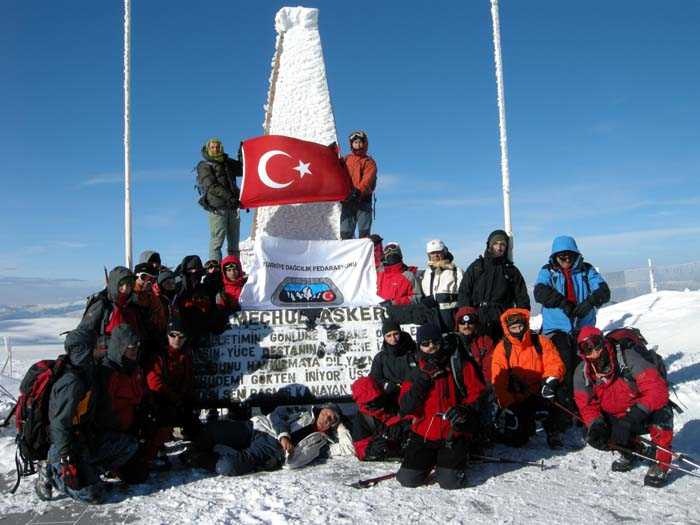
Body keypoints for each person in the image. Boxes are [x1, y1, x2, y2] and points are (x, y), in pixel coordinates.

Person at [37, 328, 138, 503]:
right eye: (96, 346)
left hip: (85, 440)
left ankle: (89, 473)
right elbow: (59, 424)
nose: (102, 348)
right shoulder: (72, 383)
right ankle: (51, 473)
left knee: (128, 445)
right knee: (92, 496)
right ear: (84, 351)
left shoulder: (89, 372)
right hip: (65, 446)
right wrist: (66, 457)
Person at [574, 326, 673, 487]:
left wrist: (633, 417)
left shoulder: (628, 359)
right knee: (595, 432)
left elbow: (657, 390)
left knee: (661, 414)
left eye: (596, 344)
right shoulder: (582, 373)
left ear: (603, 342)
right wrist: (596, 424)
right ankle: (631, 450)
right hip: (617, 416)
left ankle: (662, 463)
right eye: (586, 348)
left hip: (641, 411)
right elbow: (586, 405)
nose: (593, 351)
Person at [397, 323, 487, 489]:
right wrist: (423, 382)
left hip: (452, 433)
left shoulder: (458, 364)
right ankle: (432, 461)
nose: (431, 346)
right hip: (423, 433)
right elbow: (405, 407)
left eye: (435, 342)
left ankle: (460, 456)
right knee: (408, 480)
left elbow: (478, 393)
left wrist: (464, 409)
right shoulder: (416, 372)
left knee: (449, 482)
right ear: (419, 346)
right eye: (425, 343)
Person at [534, 235, 611, 419]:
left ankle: (587, 406)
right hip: (557, 328)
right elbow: (540, 292)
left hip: (582, 327)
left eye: (569, 256)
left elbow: (603, 291)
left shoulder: (586, 270)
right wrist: (562, 303)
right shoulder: (548, 271)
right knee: (562, 366)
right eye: (561, 256)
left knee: (585, 367)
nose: (566, 260)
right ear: (555, 257)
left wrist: (590, 302)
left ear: (575, 254)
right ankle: (563, 408)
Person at [184, 404, 352, 475]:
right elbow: (278, 413)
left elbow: (348, 448)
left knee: (228, 466)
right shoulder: (303, 412)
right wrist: (284, 435)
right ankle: (195, 447)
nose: (326, 419)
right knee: (215, 429)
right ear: (320, 410)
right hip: (261, 427)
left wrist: (341, 425)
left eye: (332, 419)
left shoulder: (322, 444)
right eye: (325, 414)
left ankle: (195, 459)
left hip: (271, 449)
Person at [490, 308, 567, 448]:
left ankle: (554, 430)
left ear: (525, 324)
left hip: (541, 390)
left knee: (560, 390)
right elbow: (499, 381)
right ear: (507, 329)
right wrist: (509, 404)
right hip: (518, 397)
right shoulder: (502, 348)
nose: (518, 330)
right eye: (513, 328)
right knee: (518, 440)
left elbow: (554, 363)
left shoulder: (540, 341)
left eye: (520, 326)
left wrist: (550, 381)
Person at [141, 318, 199, 466]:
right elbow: (154, 384)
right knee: (164, 416)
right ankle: (157, 450)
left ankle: (193, 445)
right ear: (167, 335)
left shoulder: (186, 355)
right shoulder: (158, 356)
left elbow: (189, 379)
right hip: (160, 401)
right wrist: (174, 398)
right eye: (173, 335)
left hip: (179, 400)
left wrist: (185, 397)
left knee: (194, 423)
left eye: (181, 336)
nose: (176, 339)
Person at [457, 230, 530, 340]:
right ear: (489, 245)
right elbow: (464, 292)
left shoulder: (511, 271)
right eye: (496, 244)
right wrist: (467, 316)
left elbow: (522, 297)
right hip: (477, 320)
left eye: (503, 244)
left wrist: (521, 320)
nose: (499, 247)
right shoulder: (477, 267)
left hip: (501, 321)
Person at [196, 137, 243, 261]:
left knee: (234, 242)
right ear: (208, 148)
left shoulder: (226, 162)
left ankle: (234, 269)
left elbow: (242, 169)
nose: (215, 149)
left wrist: (242, 154)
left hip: (232, 207)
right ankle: (215, 271)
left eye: (217, 147)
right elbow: (211, 185)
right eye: (212, 147)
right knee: (217, 241)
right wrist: (230, 197)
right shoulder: (204, 165)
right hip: (218, 208)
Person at [350, 375, 412, 461]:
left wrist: (403, 426)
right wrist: (372, 449)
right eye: (369, 402)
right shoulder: (362, 418)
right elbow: (360, 448)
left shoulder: (395, 400)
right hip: (387, 457)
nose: (374, 403)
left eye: (376, 399)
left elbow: (416, 417)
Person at [77, 266, 143, 338]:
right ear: (114, 283)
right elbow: (82, 335)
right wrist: (103, 344)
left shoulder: (132, 304)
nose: (125, 287)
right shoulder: (103, 304)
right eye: (121, 284)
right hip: (109, 348)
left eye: (129, 284)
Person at [340, 130, 377, 239]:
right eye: (355, 142)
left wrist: (359, 191)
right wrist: (329, 154)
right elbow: (336, 171)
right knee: (345, 232)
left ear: (365, 143)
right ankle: (347, 255)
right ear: (351, 144)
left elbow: (368, 179)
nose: (358, 144)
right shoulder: (346, 159)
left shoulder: (369, 162)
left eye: (360, 142)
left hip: (363, 201)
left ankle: (363, 255)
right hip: (348, 201)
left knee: (364, 233)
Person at [420, 239, 463, 331]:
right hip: (433, 317)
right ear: (428, 255)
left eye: (438, 252)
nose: (435, 255)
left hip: (451, 318)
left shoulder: (455, 271)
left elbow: (464, 294)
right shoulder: (426, 273)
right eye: (432, 253)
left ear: (444, 252)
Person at [369, 318, 418, 397]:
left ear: (400, 333)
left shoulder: (414, 352)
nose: (393, 338)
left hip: (413, 395)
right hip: (390, 397)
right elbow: (374, 379)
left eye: (396, 334)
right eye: (389, 336)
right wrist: (387, 385)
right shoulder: (380, 358)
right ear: (384, 338)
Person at [452, 306, 495, 383]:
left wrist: (488, 385)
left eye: (470, 322)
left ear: (476, 324)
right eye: (462, 322)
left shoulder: (485, 341)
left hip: (480, 383)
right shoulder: (452, 343)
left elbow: (489, 367)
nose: (466, 326)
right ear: (457, 325)